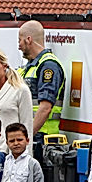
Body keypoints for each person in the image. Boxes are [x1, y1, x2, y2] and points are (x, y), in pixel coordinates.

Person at [16, 20, 65, 162]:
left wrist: (28, 138)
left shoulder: (48, 66)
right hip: (33, 135)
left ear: (29, 39)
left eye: (20, 40)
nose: (19, 46)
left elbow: (45, 107)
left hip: (42, 137)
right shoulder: (29, 67)